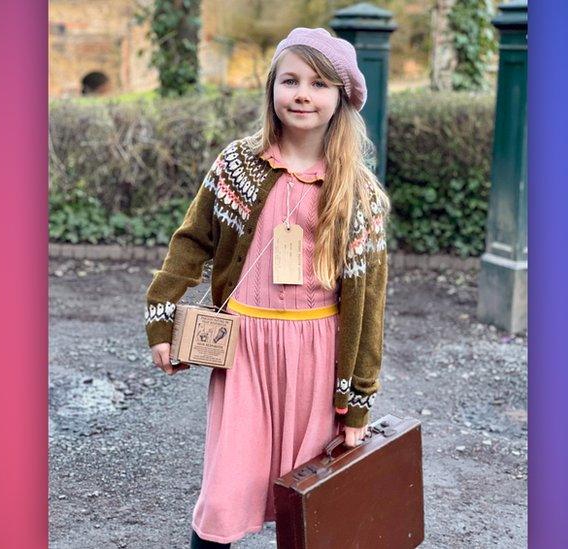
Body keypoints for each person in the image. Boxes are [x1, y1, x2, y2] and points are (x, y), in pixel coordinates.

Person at [142, 27, 390, 548]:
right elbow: (192, 241)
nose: (303, 94)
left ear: (341, 98)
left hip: (319, 358)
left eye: (319, 84)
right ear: (271, 87)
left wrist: (358, 401)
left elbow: (369, 305)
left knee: (313, 501)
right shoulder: (237, 166)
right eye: (290, 80)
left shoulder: (356, 192)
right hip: (246, 354)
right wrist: (162, 312)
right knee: (224, 494)